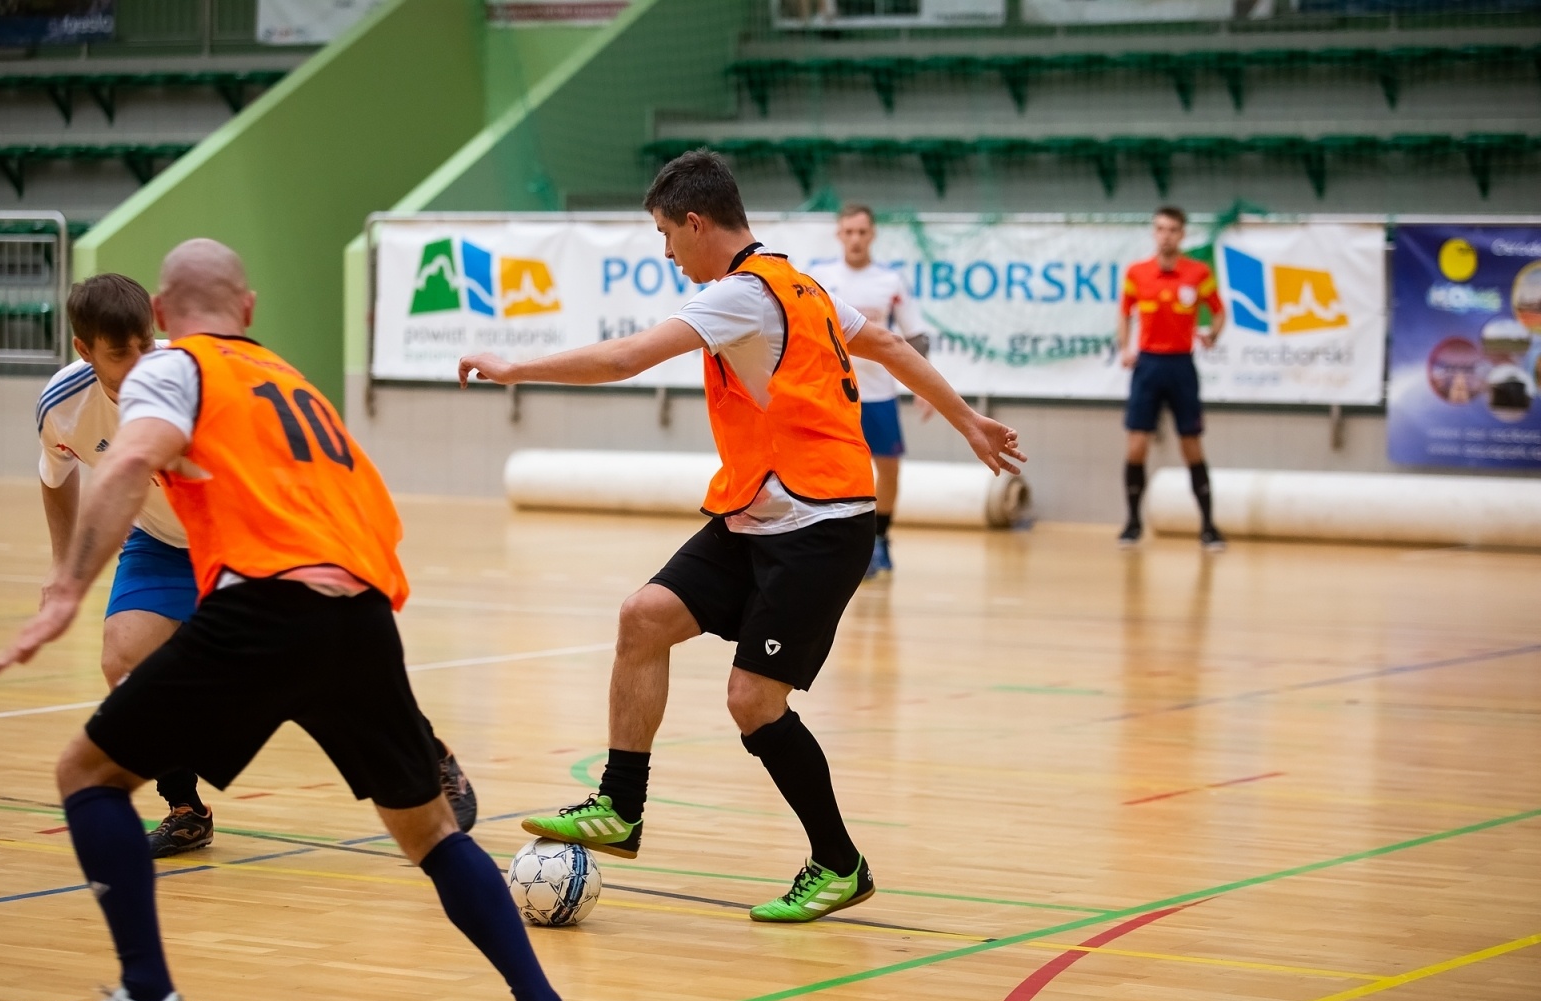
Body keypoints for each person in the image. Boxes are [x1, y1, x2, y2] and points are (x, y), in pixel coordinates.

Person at [0, 240, 578, 1001]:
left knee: (86, 774)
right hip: (360, 611)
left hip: (263, 607)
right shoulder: (289, 380)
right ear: (249, 308)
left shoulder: (172, 367)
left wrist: (63, 592)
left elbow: (128, 460)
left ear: (160, 315)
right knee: (432, 833)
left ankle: (149, 995)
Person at [458, 150, 1024, 923]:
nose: (667, 253)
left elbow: (624, 357)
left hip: (820, 527)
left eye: (667, 235)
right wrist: (968, 422)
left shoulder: (741, 295)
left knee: (753, 700)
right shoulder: (802, 285)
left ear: (697, 223)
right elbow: (891, 347)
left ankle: (839, 864)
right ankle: (620, 807)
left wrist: (513, 368)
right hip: (762, 509)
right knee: (644, 617)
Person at [37, 275, 479, 859]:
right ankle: (186, 810)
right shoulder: (62, 406)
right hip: (163, 544)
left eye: (145, 343)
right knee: (122, 660)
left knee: (322, 669)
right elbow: (56, 474)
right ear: (84, 349)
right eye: (120, 353)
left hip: (246, 536)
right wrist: (62, 568)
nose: (139, 361)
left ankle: (428, 753)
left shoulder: (195, 374)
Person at [811, 204, 931, 579]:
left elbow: (915, 337)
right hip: (832, 394)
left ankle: (880, 539)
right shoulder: (818, 277)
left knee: (889, 471)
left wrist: (924, 387)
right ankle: (836, 544)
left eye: (862, 232)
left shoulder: (890, 281)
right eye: (849, 232)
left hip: (878, 394)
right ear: (839, 234)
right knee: (830, 472)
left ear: (872, 235)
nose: (856, 239)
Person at [1117, 206, 1227, 551]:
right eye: (1160, 229)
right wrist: (1125, 348)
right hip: (1148, 366)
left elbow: (1219, 311)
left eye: (1172, 230)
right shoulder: (1137, 272)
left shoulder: (1198, 272)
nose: (1166, 235)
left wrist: (1212, 334)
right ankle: (1133, 523)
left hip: (1181, 366)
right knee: (1137, 445)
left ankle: (1208, 527)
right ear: (1154, 233)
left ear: (1182, 234)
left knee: (1191, 444)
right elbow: (1124, 313)